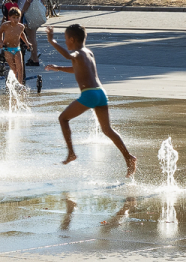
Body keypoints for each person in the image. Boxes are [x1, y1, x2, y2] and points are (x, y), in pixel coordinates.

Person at [45, 24, 137, 177]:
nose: (65, 42)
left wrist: (52, 41)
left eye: (66, 39)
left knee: (63, 119)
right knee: (107, 130)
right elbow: (76, 68)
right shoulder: (88, 53)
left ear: (72, 39)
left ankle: (71, 153)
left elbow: (69, 56)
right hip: (100, 93)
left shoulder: (77, 53)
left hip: (89, 94)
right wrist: (59, 68)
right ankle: (128, 157)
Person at [14, 0, 47, 65]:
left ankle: (35, 59)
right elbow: (42, 0)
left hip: (30, 15)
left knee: (31, 38)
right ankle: (33, 57)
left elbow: (28, 1)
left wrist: (22, 12)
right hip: (37, 14)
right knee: (31, 37)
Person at [0, 6, 31, 86]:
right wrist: (1, 42)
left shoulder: (21, 26)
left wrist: (26, 42)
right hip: (7, 48)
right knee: (13, 68)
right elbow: (0, 33)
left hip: (17, 48)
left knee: (20, 67)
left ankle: (20, 84)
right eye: (13, 17)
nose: (15, 20)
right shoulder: (5, 25)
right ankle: (13, 84)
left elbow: (22, 34)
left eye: (17, 18)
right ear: (9, 17)